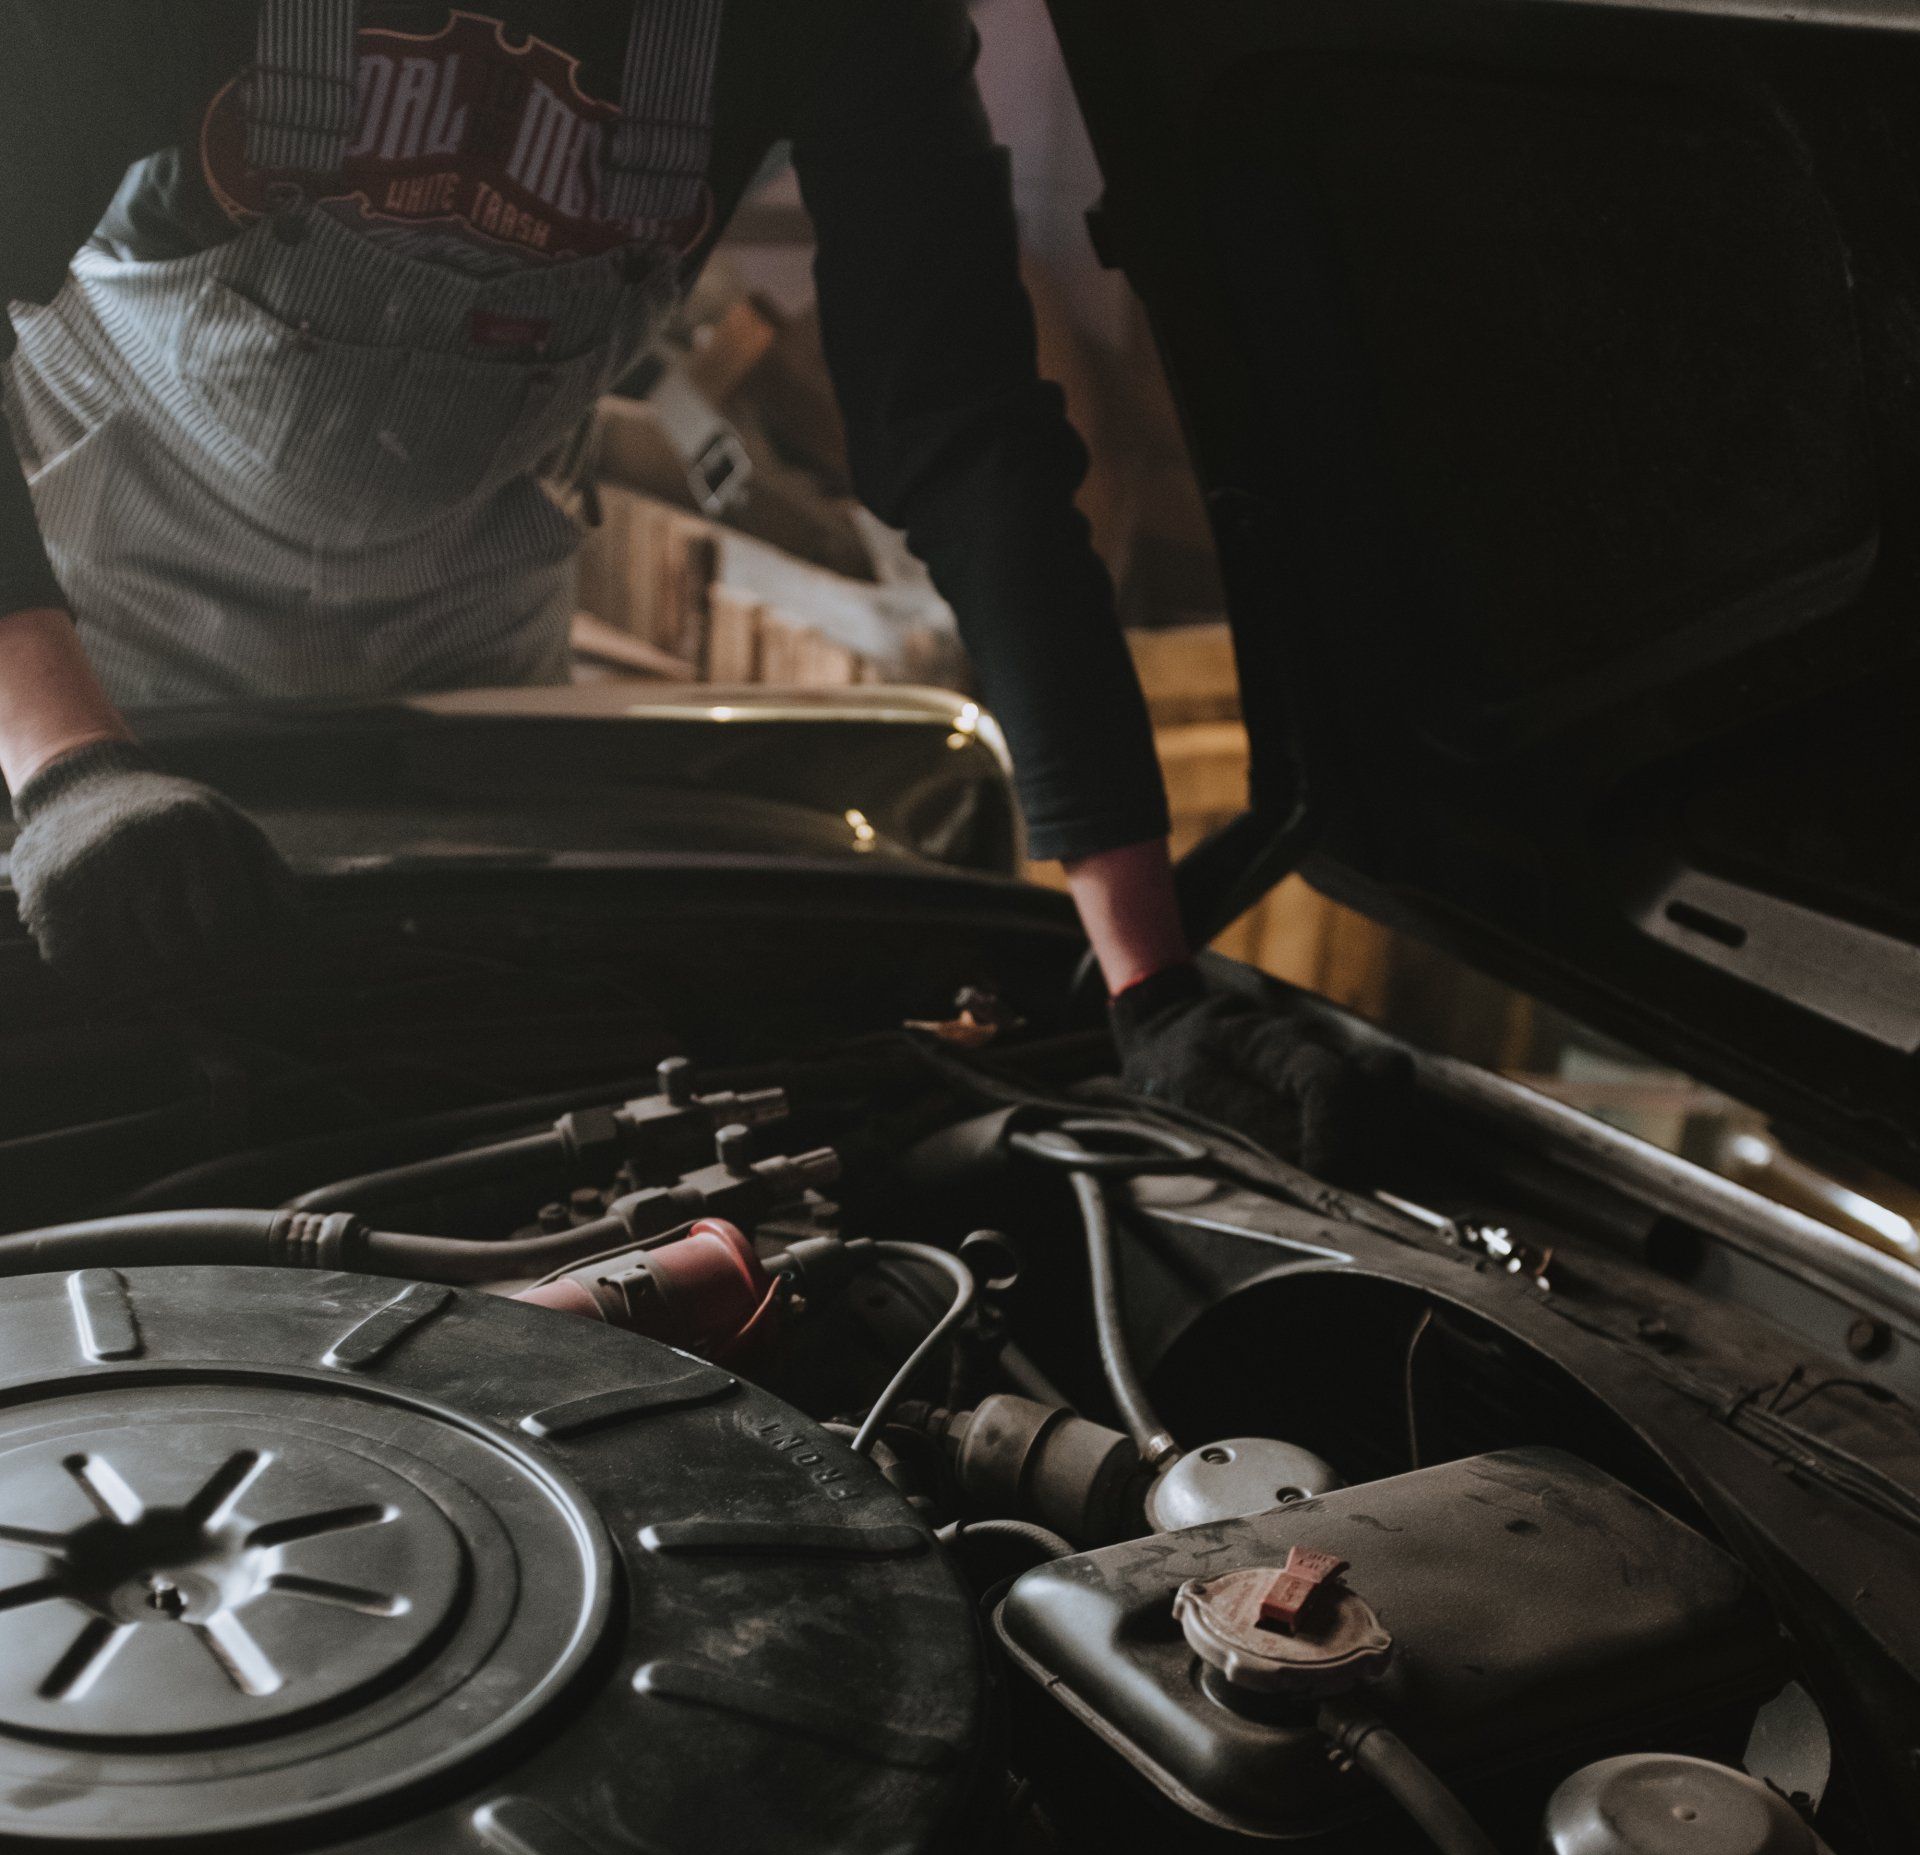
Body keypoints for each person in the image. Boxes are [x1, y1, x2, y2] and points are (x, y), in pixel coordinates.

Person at [0, 1, 1347, 1163]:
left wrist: (1151, 980)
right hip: (76, 647)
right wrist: (67, 766)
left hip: (466, 676)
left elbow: (967, 429)